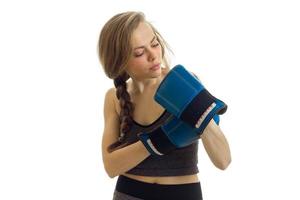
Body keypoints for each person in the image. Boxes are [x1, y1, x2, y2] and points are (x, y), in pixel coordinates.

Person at [97, 11, 231, 200]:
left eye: (154, 43)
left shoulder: (184, 84)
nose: (153, 56)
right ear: (120, 61)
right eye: (139, 52)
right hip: (128, 193)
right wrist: (161, 140)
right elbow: (111, 166)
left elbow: (223, 160)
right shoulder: (114, 98)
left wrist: (203, 115)